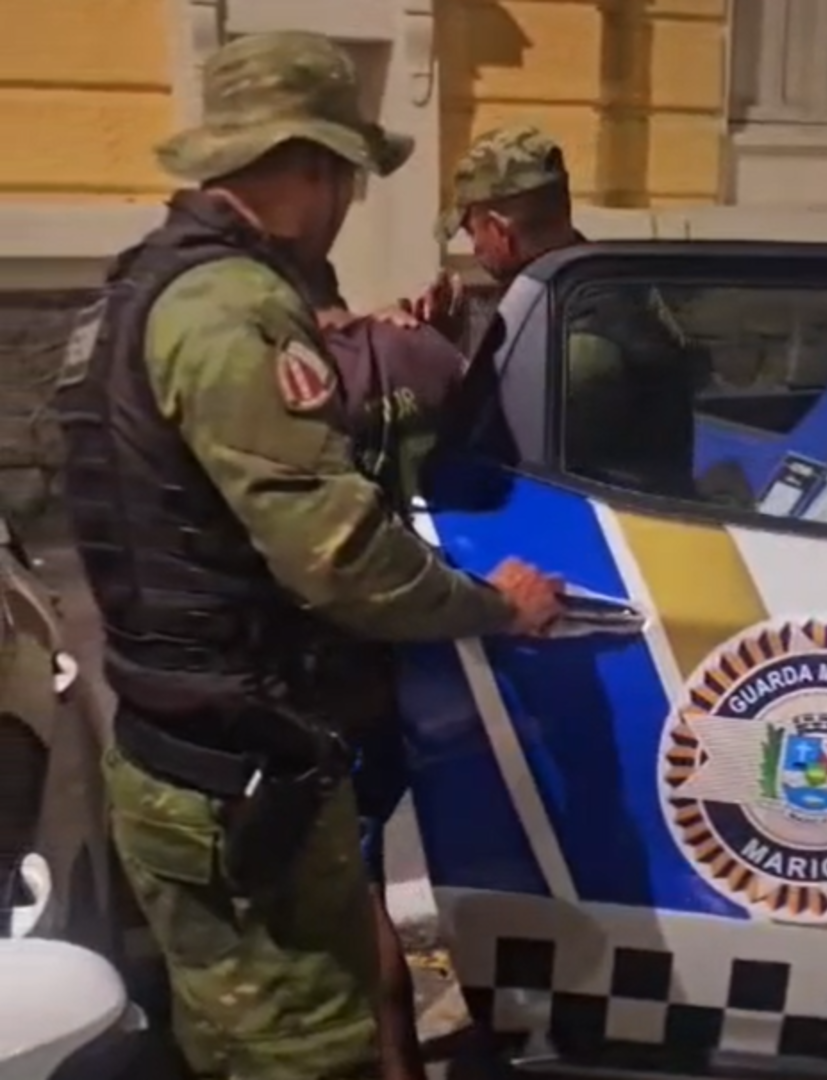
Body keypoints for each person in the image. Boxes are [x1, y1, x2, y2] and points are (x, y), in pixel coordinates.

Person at [52, 31, 562, 1080]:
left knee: (229, 1043)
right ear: (310, 166)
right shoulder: (236, 307)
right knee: (308, 1056)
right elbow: (339, 557)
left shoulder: (128, 295)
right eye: (347, 176)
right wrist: (494, 605)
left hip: (166, 749)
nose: (347, 204)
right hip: (245, 772)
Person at [313, 274, 468, 1080]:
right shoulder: (421, 353)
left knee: (352, 879)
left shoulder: (286, 377)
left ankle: (395, 1059)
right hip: (433, 646)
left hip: (337, 659)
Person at [433, 124, 703, 496]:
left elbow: (485, 452)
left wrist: (435, 358)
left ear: (498, 232)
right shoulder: (594, 285)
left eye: (471, 231)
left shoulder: (580, 348)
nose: (474, 247)